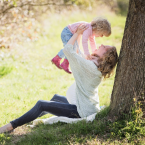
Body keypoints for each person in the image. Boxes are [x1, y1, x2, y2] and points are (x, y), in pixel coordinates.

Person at [0, 24, 118, 134]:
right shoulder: (93, 65)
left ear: (105, 56)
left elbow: (68, 50)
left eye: (104, 47)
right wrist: (78, 35)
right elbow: (77, 53)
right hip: (86, 106)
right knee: (55, 98)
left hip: (81, 112)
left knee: (42, 104)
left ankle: (11, 126)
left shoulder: (90, 67)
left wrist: (76, 33)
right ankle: (30, 116)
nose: (101, 45)